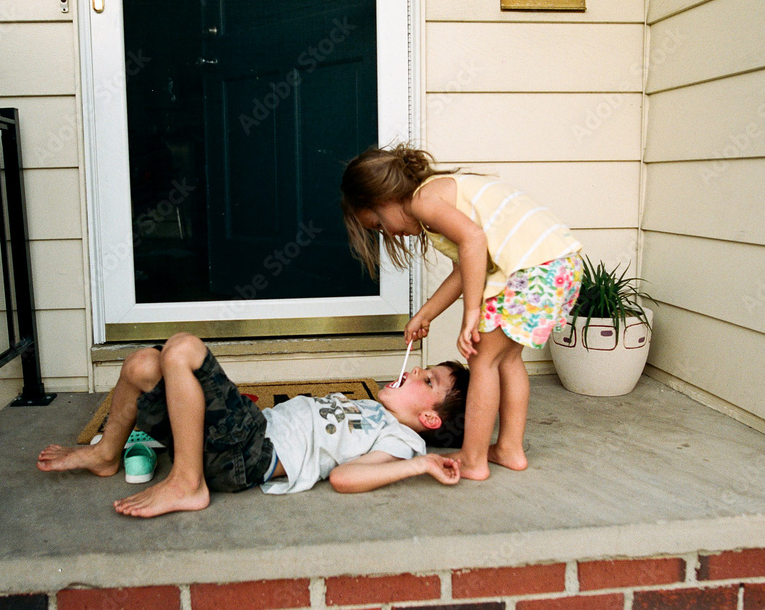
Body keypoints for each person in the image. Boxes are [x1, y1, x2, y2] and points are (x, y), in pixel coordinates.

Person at [340, 144, 582, 480]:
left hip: (531, 269)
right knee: (507, 359)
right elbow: (464, 269)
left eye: (379, 223)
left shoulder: (424, 200)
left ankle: (473, 460)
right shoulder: (438, 200)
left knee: (482, 360)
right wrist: (426, 314)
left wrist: (471, 312)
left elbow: (473, 241)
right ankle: (510, 450)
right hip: (556, 265)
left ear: (384, 196)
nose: (387, 233)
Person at [37, 333, 470, 517]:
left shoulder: (401, 438)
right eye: (421, 368)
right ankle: (106, 453)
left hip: (253, 451)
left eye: (427, 380)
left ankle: (187, 482)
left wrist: (422, 465)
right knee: (142, 363)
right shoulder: (371, 409)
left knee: (185, 348)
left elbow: (344, 476)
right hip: (240, 436)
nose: (414, 371)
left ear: (430, 418)